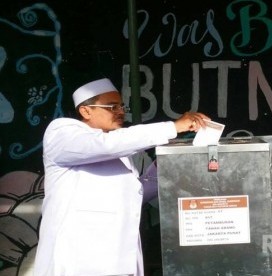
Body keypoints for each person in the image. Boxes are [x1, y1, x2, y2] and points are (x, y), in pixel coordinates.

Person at [33, 78, 209, 276]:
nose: (120, 111)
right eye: (112, 106)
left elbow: (134, 195)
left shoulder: (119, 148)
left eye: (121, 106)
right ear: (86, 111)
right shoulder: (62, 132)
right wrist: (173, 127)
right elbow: (106, 145)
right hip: (78, 259)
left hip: (117, 258)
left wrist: (162, 166)